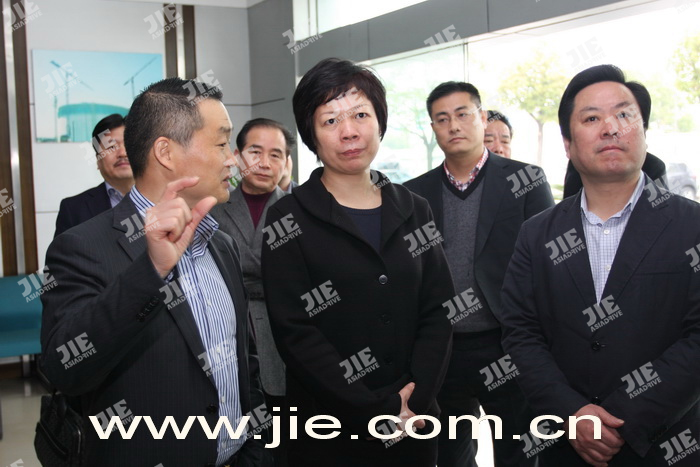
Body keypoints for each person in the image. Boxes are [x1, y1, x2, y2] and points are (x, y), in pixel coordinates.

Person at [41, 77, 265, 466]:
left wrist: (255, 450)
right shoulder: (82, 246)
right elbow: (65, 369)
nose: (233, 159)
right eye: (221, 143)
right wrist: (152, 269)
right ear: (165, 152)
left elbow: (245, 360)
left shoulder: (221, 243)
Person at [497, 64, 700, 466]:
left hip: (668, 445)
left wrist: (624, 418)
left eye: (624, 115)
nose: (611, 128)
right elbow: (520, 333)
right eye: (591, 118)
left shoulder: (691, 225)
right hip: (566, 446)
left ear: (644, 132)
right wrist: (572, 414)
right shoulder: (536, 234)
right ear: (568, 144)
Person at [260, 57, 454, 467]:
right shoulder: (287, 218)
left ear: (379, 122)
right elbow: (296, 332)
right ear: (311, 134)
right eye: (330, 120)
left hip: (415, 422)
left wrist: (415, 399)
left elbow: (438, 309)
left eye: (361, 115)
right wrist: (376, 409)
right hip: (329, 427)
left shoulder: (415, 208)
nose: (348, 131)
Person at [405, 82, 554, 467]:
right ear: (433, 128)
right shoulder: (413, 194)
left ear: (482, 118)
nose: (453, 125)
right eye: (442, 119)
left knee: (519, 451)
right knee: (451, 455)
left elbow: (548, 268)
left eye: (462, 114)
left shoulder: (526, 180)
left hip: (509, 344)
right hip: (444, 350)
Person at [211, 117, 295, 466]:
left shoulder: (299, 209)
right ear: (236, 155)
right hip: (227, 329)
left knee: (286, 434)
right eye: (255, 152)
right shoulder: (213, 206)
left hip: (285, 333)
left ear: (286, 163)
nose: (264, 162)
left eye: (275, 155)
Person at [55, 113, 134, 237]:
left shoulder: (163, 198)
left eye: (129, 145)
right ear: (98, 160)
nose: (122, 153)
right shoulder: (73, 209)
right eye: (111, 147)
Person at [563, 152, 666, 198]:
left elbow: (661, 211)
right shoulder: (580, 162)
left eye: (623, 116)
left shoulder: (653, 165)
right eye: (592, 119)